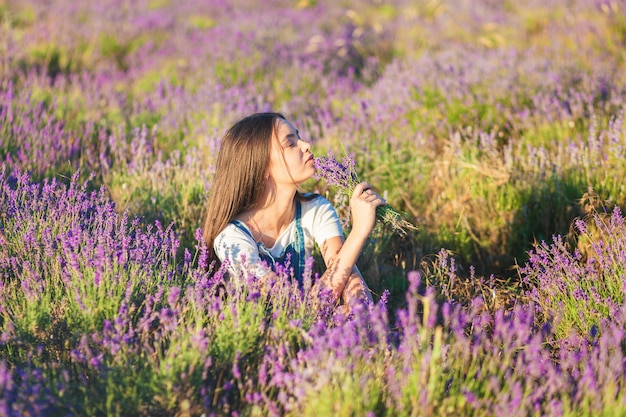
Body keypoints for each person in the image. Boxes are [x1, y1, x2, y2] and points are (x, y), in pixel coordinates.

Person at [203, 112, 386, 309]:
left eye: (298, 137)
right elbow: (293, 309)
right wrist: (358, 232)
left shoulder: (315, 209)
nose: (306, 145)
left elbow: (348, 276)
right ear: (262, 167)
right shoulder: (232, 239)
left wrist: (356, 313)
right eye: (291, 144)